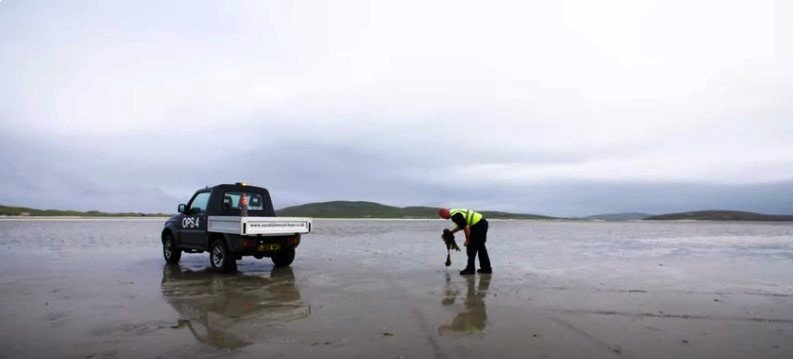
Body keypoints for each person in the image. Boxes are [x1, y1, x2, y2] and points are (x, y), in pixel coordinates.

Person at [438, 208, 491, 275]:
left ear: (444, 214)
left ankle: (470, 269)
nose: (444, 218)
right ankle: (486, 269)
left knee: (471, 248)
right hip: (482, 223)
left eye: (442, 217)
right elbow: (461, 226)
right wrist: (451, 232)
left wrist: (467, 240)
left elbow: (466, 227)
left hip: (477, 225)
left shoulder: (455, 215)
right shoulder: (455, 212)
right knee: (481, 247)